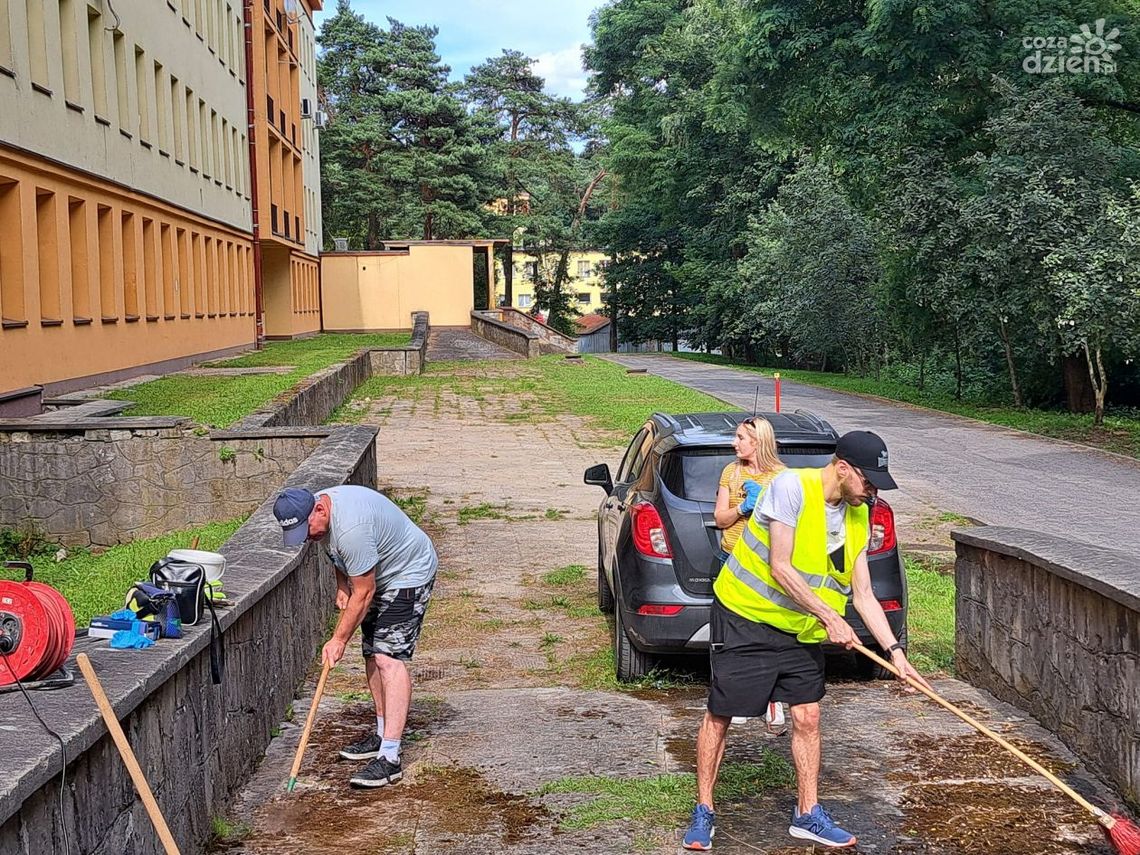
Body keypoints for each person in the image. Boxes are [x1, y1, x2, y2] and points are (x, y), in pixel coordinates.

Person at [682, 431, 930, 851]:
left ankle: (808, 813)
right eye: (867, 482)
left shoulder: (858, 514)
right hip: (746, 616)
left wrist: (896, 653)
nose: (871, 492)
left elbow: (865, 594)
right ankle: (704, 809)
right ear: (843, 468)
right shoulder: (790, 487)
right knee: (721, 714)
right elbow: (781, 567)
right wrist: (831, 616)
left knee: (808, 716)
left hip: (798, 628)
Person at [274, 484, 438, 789]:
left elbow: (364, 592)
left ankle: (390, 758)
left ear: (319, 510)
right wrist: (341, 584)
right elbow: (334, 551)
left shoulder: (352, 528)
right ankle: (381, 732)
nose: (307, 537)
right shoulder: (317, 512)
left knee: (388, 658)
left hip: (408, 573)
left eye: (306, 530)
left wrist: (338, 639)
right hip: (376, 576)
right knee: (371, 652)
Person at [713, 416, 787, 733]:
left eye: (740, 438)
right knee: (736, 636)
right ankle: (740, 700)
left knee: (768, 634)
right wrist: (743, 507)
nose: (734, 443)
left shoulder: (782, 478)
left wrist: (763, 506)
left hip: (767, 567)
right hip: (732, 562)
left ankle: (773, 701)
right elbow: (720, 519)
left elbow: (787, 525)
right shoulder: (731, 472)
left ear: (757, 442)